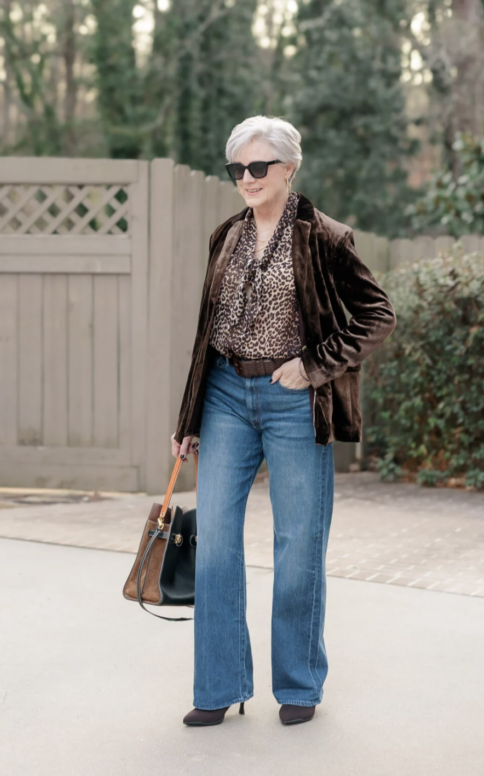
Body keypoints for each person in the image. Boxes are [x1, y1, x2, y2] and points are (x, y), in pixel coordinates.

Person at [171, 115, 396, 727]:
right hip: (223, 395)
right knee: (214, 542)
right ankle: (218, 687)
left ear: (289, 168)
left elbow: (377, 315)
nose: (246, 177)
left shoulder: (324, 237)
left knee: (298, 543)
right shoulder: (225, 236)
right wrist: (189, 414)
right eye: (237, 168)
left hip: (293, 398)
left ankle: (298, 683)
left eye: (258, 166)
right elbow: (205, 336)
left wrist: (313, 365)